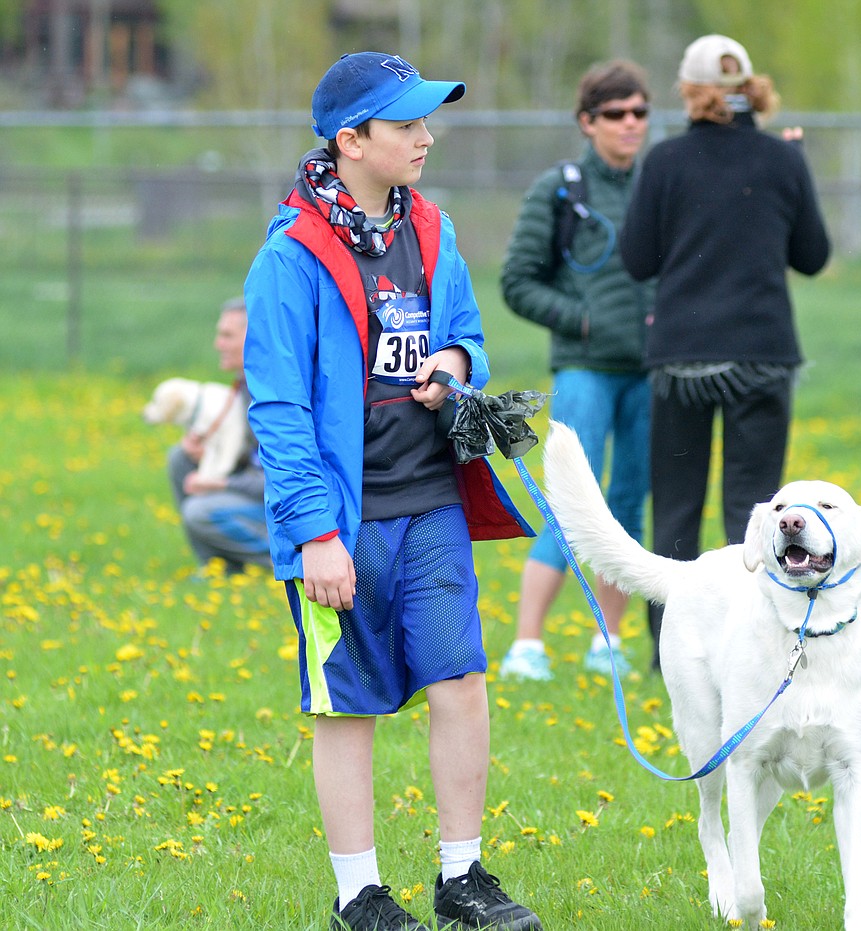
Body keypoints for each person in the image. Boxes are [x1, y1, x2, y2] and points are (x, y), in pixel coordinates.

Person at [242, 52, 542, 931]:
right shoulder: (289, 257)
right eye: (406, 124)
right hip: (345, 519)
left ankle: (463, 876)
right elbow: (279, 407)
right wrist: (314, 534)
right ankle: (359, 893)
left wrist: (454, 363)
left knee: (461, 679)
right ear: (351, 140)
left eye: (425, 121)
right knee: (349, 704)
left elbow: (465, 334)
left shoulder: (432, 228)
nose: (425, 137)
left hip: (433, 502)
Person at [620, 35, 832, 670]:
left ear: (688, 90)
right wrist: (789, 171)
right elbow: (813, 257)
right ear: (752, 88)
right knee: (756, 509)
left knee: (677, 508)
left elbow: (637, 260)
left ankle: (671, 654)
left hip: (682, 355)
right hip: (761, 353)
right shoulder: (782, 159)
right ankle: (761, 647)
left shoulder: (664, 162)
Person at [498, 60, 654, 682]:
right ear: (588, 122)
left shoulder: (658, 183)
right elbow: (517, 281)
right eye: (616, 114)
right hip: (586, 371)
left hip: (650, 373)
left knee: (627, 508)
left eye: (640, 112)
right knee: (569, 503)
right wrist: (582, 322)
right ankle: (527, 646)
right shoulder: (558, 190)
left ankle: (607, 642)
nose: (630, 125)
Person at [166, 296, 270, 574]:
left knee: (199, 512)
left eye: (227, 336)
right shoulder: (246, 383)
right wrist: (210, 452)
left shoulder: (271, 393)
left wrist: (221, 483)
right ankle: (219, 568)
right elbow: (253, 458)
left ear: (253, 337)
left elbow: (275, 479)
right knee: (181, 459)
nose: (217, 344)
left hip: (286, 508)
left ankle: (290, 562)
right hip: (256, 490)